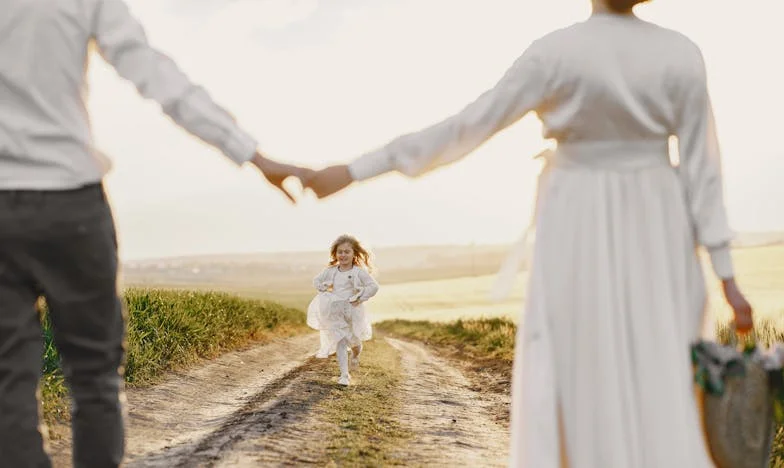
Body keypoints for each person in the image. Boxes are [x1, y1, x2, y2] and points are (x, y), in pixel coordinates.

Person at [303, 0, 755, 466]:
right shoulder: (681, 52)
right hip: (658, 221)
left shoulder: (555, 51)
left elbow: (466, 127)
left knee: (577, 365)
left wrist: (356, 169)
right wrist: (727, 276)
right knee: (661, 362)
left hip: (575, 218)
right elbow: (705, 170)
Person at [0, 0, 308, 466]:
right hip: (71, 206)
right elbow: (161, 79)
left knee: (6, 381)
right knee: (94, 377)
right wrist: (252, 154)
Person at [307, 235, 379, 386]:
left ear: (354, 254)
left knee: (355, 341)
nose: (343, 255)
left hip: (353, 310)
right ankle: (344, 375)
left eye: (347, 252)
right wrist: (324, 287)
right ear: (335, 254)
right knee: (341, 340)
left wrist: (361, 297)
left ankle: (355, 355)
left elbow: (374, 287)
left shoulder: (359, 272)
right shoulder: (331, 271)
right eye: (340, 252)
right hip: (336, 311)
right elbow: (316, 281)